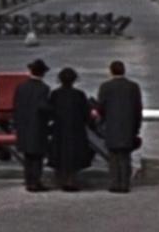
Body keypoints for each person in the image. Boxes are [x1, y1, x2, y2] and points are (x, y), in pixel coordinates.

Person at [95, 61, 144, 193]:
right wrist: (137, 126)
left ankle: (114, 183)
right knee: (125, 156)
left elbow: (101, 107)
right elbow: (138, 108)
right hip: (128, 126)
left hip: (112, 125)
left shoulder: (105, 87)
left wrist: (101, 122)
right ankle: (125, 184)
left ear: (111, 71)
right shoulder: (133, 87)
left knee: (113, 156)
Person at [47, 67, 93, 192]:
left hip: (59, 129)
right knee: (74, 155)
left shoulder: (55, 94)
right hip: (76, 129)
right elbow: (86, 114)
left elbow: (50, 112)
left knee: (61, 153)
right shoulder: (79, 94)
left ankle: (61, 179)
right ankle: (71, 180)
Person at [13, 59, 53, 192]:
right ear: (43, 73)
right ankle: (36, 181)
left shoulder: (21, 87)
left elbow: (16, 106)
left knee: (27, 155)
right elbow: (43, 107)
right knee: (38, 156)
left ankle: (28, 180)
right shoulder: (44, 88)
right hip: (37, 125)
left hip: (23, 125)